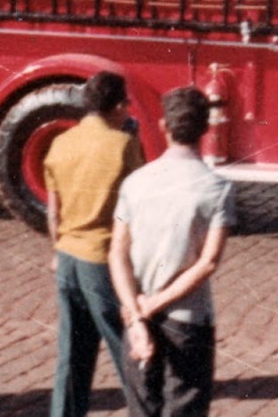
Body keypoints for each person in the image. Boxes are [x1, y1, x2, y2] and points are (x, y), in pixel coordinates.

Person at [109, 87, 235, 417]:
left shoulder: (134, 183)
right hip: (188, 319)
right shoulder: (218, 190)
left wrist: (137, 313)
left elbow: (117, 252)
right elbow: (207, 262)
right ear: (206, 129)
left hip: (137, 315)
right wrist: (155, 305)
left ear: (164, 126)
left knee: (141, 408)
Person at [44, 72, 145, 417]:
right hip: (102, 259)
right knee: (127, 350)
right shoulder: (123, 145)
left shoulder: (61, 143)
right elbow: (138, 205)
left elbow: (53, 210)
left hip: (68, 256)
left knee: (71, 355)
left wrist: (56, 249)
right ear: (117, 106)